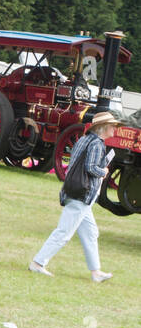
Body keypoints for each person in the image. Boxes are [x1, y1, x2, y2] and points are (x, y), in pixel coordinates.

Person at [29, 112, 119, 283]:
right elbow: (91, 168)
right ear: (104, 127)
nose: (114, 129)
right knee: (63, 232)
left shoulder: (84, 139)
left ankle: (96, 272)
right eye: (112, 125)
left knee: (91, 233)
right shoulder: (97, 144)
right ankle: (38, 263)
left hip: (76, 192)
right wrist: (104, 171)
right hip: (82, 194)